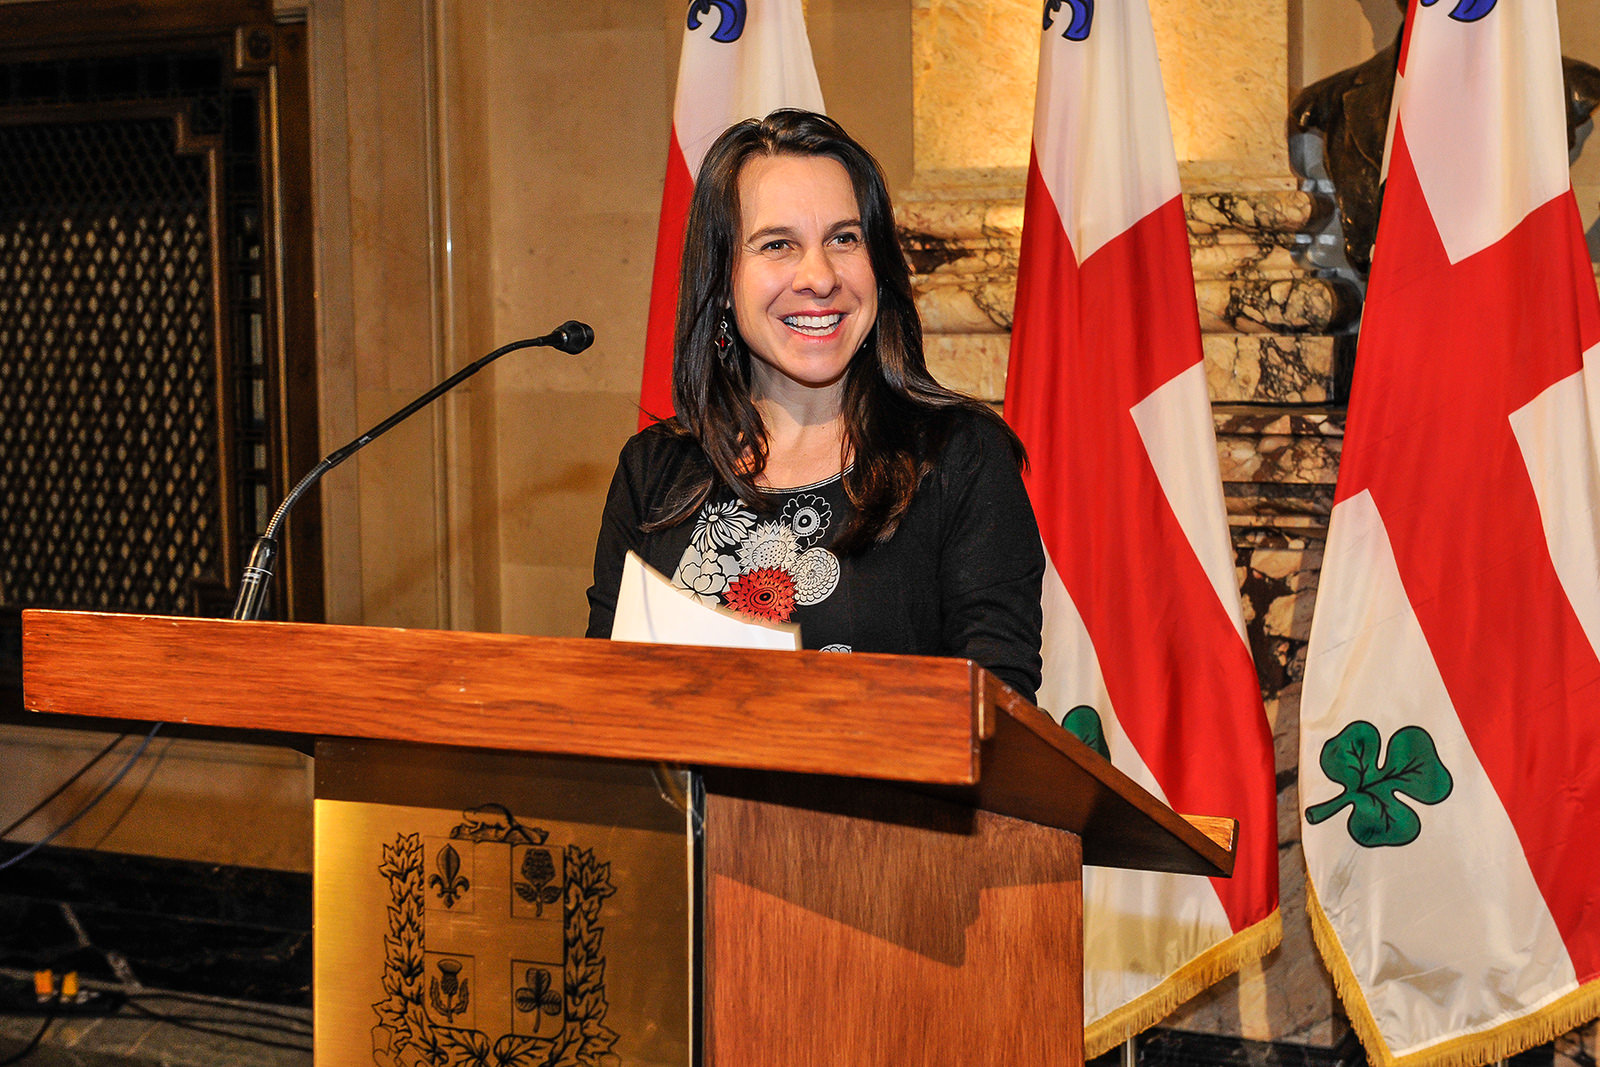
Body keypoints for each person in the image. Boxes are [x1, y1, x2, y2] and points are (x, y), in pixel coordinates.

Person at [585, 109, 1044, 702]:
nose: (819, 277)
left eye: (844, 239)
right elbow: (603, 695)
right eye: (778, 245)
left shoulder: (960, 457)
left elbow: (996, 717)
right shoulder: (655, 470)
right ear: (722, 281)